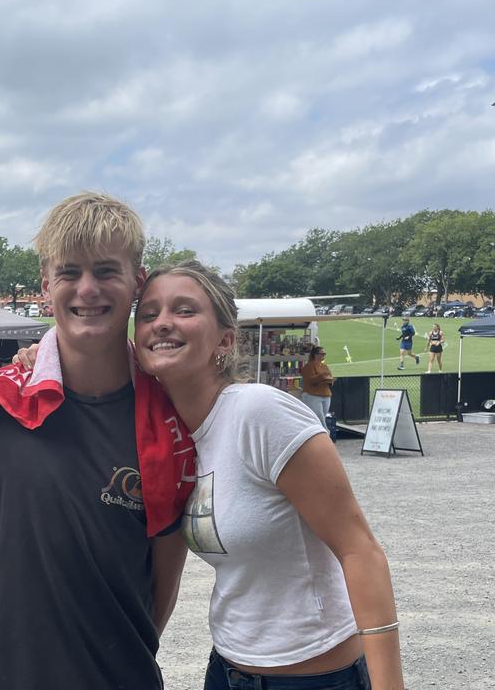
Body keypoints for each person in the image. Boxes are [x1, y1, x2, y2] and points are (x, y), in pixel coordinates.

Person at [0, 192, 189, 689]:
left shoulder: (171, 418)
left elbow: (164, 581)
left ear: (137, 281)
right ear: (45, 285)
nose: (87, 289)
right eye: (69, 272)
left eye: (105, 271)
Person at [135, 260, 404, 689]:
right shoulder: (168, 433)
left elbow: (360, 549)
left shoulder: (259, 413)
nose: (162, 323)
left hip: (315, 676)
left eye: (184, 310)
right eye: (148, 314)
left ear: (225, 339)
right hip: (227, 670)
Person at [299, 345, 334, 430]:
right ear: (315, 355)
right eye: (322, 354)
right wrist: (323, 377)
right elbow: (310, 380)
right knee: (319, 418)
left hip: (326, 394)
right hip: (312, 395)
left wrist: (328, 379)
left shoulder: (324, 366)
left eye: (324, 354)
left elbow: (330, 378)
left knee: (322, 417)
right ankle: (325, 434)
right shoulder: (308, 366)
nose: (323, 356)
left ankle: (322, 435)